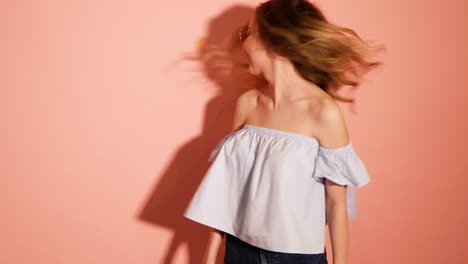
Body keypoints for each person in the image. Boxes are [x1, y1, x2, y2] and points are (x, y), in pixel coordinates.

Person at [184, 0, 384, 263]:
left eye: (247, 32)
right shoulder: (248, 103)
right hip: (238, 251)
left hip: (298, 257)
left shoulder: (322, 112)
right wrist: (208, 258)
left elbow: (337, 205)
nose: (242, 42)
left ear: (273, 40)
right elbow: (228, 189)